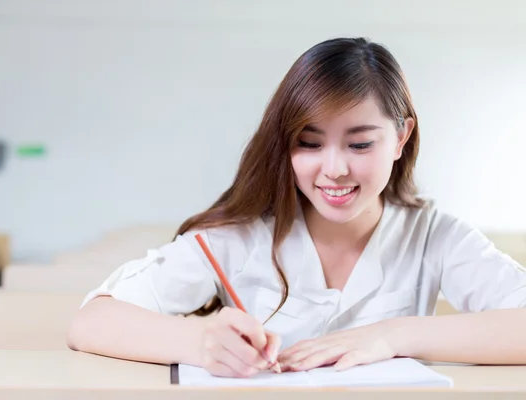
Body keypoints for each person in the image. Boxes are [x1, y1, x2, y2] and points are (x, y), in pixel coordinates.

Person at [67, 37, 526, 378]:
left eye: (360, 143)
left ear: (401, 137)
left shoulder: (435, 237)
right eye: (309, 144)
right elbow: (91, 321)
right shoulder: (239, 238)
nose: (334, 169)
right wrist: (198, 341)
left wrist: (391, 336)